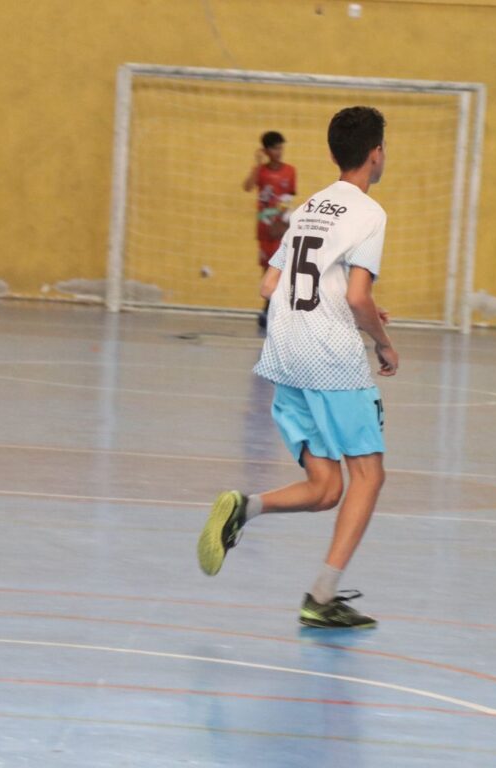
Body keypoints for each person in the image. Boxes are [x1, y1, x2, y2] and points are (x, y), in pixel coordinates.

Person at [200, 107, 397, 629]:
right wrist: (383, 341)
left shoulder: (310, 204)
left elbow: (270, 286)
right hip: (329, 357)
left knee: (328, 488)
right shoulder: (369, 213)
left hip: (284, 355)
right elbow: (358, 296)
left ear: (336, 153)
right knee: (369, 476)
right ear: (375, 152)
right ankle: (322, 596)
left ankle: (244, 507)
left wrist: (357, 308)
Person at [241, 130, 297, 328]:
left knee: (282, 267)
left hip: (280, 227)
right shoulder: (261, 172)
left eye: (281, 147)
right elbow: (247, 187)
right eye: (274, 148)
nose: (279, 151)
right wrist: (256, 165)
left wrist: (282, 222)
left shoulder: (290, 171)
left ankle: (273, 308)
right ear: (266, 150)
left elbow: (289, 199)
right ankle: (269, 306)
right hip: (264, 229)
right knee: (267, 268)